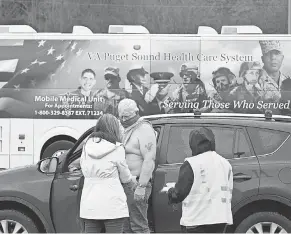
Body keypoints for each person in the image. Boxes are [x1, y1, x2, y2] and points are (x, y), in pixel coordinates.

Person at [167, 127, 233, 233]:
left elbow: (179, 193)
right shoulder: (225, 163)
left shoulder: (192, 163)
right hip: (221, 218)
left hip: (196, 219)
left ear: (193, 144)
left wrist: (171, 192)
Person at [79, 113, 137, 233]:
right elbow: (125, 177)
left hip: (90, 205)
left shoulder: (86, 147)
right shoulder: (117, 148)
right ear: (114, 129)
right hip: (113, 206)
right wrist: (133, 180)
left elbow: (83, 169)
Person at [118, 98, 157, 233]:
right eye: (121, 116)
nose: (123, 119)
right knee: (125, 228)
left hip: (138, 184)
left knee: (138, 226)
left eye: (127, 116)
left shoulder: (144, 129)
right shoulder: (125, 129)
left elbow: (149, 159)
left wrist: (142, 186)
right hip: (125, 183)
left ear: (136, 112)